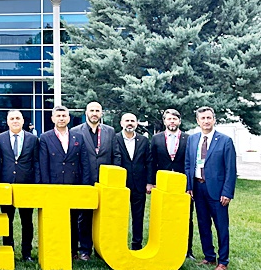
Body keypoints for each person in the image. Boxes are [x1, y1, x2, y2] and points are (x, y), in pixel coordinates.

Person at [185, 107, 237, 270]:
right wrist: (189, 186)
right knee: (203, 224)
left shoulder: (225, 141)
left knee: (221, 226)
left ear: (214, 119)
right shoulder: (192, 139)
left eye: (209, 118)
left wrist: (227, 192)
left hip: (217, 191)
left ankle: (223, 261)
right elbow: (188, 164)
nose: (206, 121)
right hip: (198, 188)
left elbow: (230, 169)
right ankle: (209, 256)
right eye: (203, 118)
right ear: (198, 121)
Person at [71, 101, 121, 260]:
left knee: (105, 216)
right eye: (91, 110)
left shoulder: (110, 131)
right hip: (85, 180)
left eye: (97, 110)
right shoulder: (76, 131)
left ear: (101, 113)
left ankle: (102, 249)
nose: (94, 113)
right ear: (86, 112)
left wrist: (114, 177)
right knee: (84, 217)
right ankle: (85, 249)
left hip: (105, 182)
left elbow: (116, 155)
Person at [39, 106, 91, 260]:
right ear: (52, 118)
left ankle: (73, 251)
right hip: (54, 184)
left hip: (73, 183)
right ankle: (55, 249)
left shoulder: (78, 137)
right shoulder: (45, 137)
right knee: (54, 219)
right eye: (58, 116)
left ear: (69, 118)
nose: (61, 118)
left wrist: (84, 185)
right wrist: (46, 186)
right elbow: (43, 164)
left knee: (73, 219)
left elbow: (84, 163)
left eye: (64, 116)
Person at [0, 109, 39, 261]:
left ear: (23, 121)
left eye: (18, 118)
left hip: (26, 186)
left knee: (27, 221)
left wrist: (37, 184)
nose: (15, 121)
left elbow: (36, 162)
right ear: (8, 122)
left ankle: (26, 253)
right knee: (6, 220)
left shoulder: (33, 139)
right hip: (6, 185)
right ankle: (8, 249)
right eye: (12, 118)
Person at [151, 108, 193, 259]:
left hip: (183, 184)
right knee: (164, 216)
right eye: (169, 119)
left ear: (179, 121)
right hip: (163, 184)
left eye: (175, 119)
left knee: (186, 217)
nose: (172, 122)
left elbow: (191, 163)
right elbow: (152, 162)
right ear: (164, 121)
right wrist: (151, 182)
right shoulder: (156, 139)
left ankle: (187, 250)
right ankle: (166, 247)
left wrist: (190, 186)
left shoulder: (188, 139)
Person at [115, 113, 153, 250]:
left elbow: (149, 162)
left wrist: (149, 182)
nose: (129, 123)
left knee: (138, 216)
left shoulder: (143, 140)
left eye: (132, 121)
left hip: (139, 184)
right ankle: (118, 244)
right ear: (121, 123)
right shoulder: (115, 139)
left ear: (136, 123)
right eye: (127, 120)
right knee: (119, 216)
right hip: (120, 185)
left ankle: (137, 244)